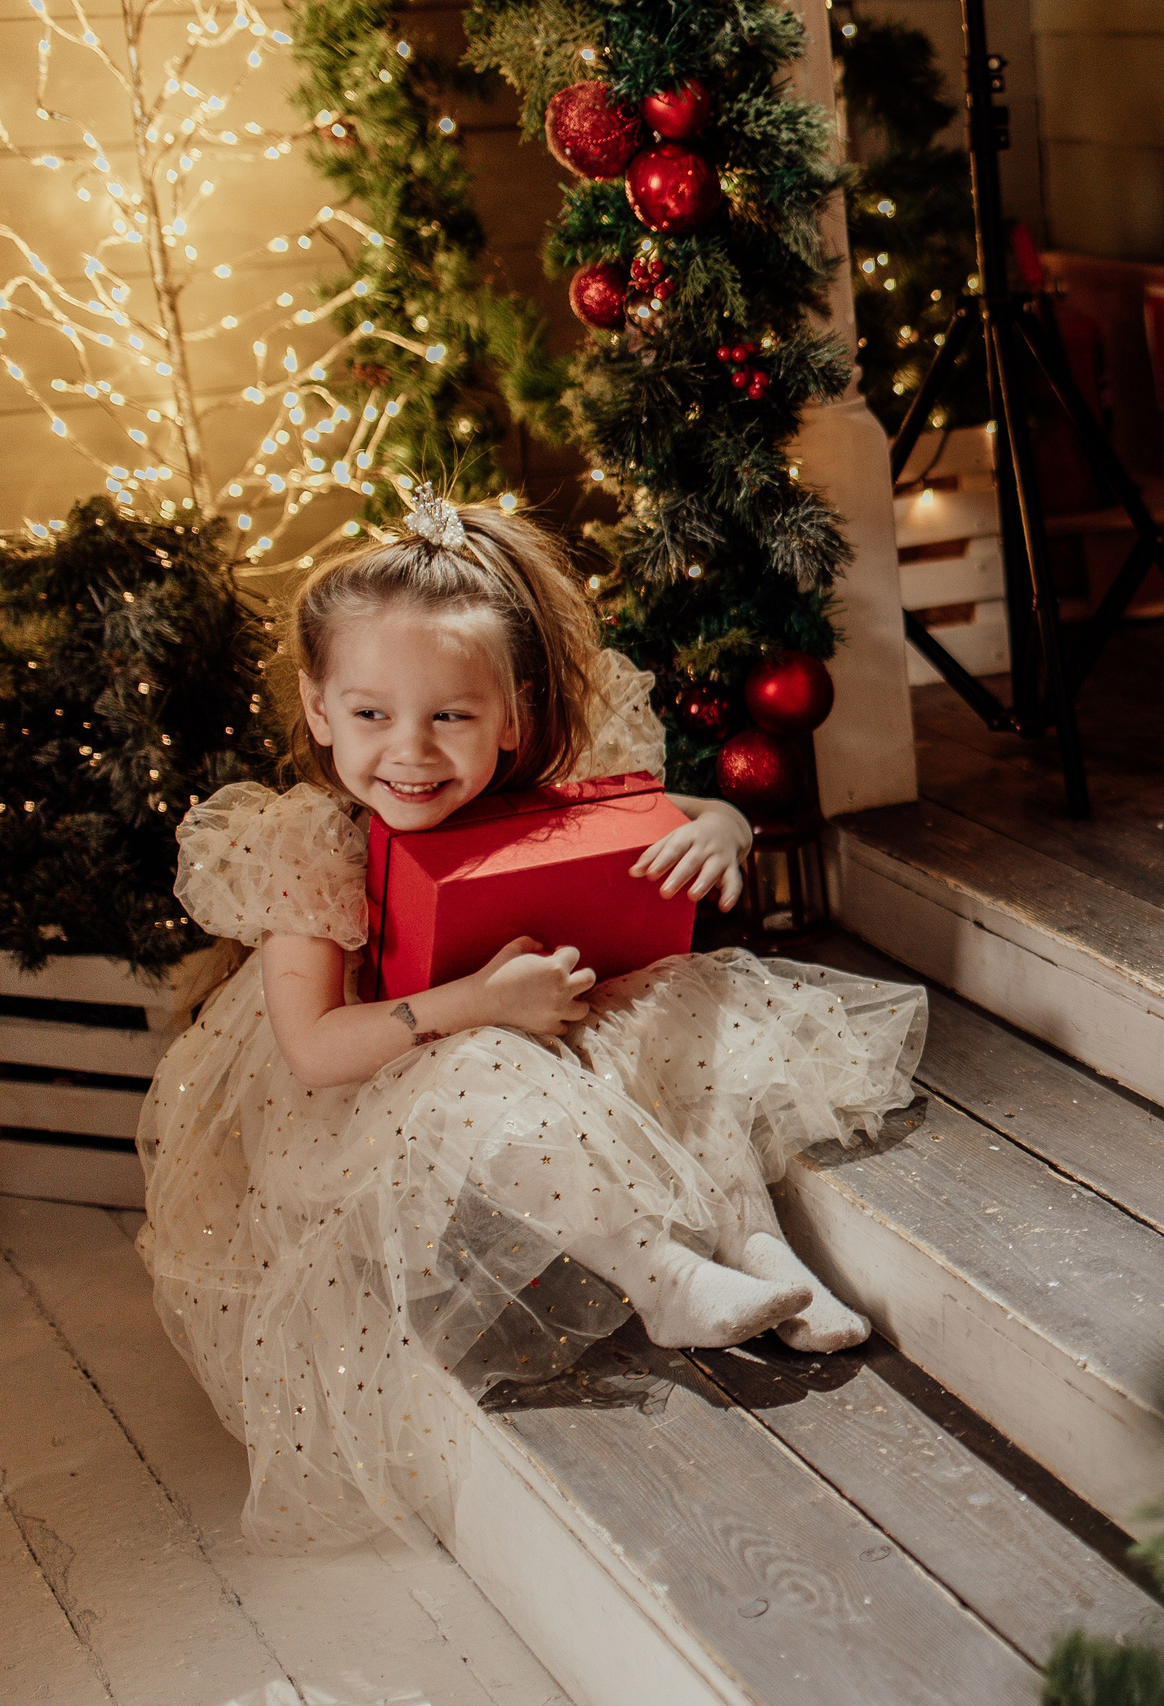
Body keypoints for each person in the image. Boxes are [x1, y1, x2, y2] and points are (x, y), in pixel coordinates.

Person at [136, 488, 926, 1551]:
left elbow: (676, 813)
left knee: (694, 1000)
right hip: (392, 1088)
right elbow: (316, 1051)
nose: (408, 750)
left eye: (450, 716)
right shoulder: (310, 846)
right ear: (320, 709)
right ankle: (663, 1275)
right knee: (488, 1069)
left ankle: (760, 1248)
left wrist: (728, 825)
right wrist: (473, 1005)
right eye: (370, 714)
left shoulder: (541, 783)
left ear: (508, 714)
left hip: (552, 1020)